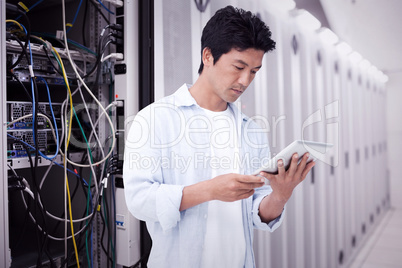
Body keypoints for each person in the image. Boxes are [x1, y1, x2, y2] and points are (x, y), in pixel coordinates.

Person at [123, 5, 315, 268]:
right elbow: (139, 200)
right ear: (208, 56)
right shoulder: (155, 119)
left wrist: (281, 194)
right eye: (238, 67)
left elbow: (257, 212)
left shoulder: (251, 131)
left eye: (254, 71)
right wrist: (210, 190)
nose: (245, 80)